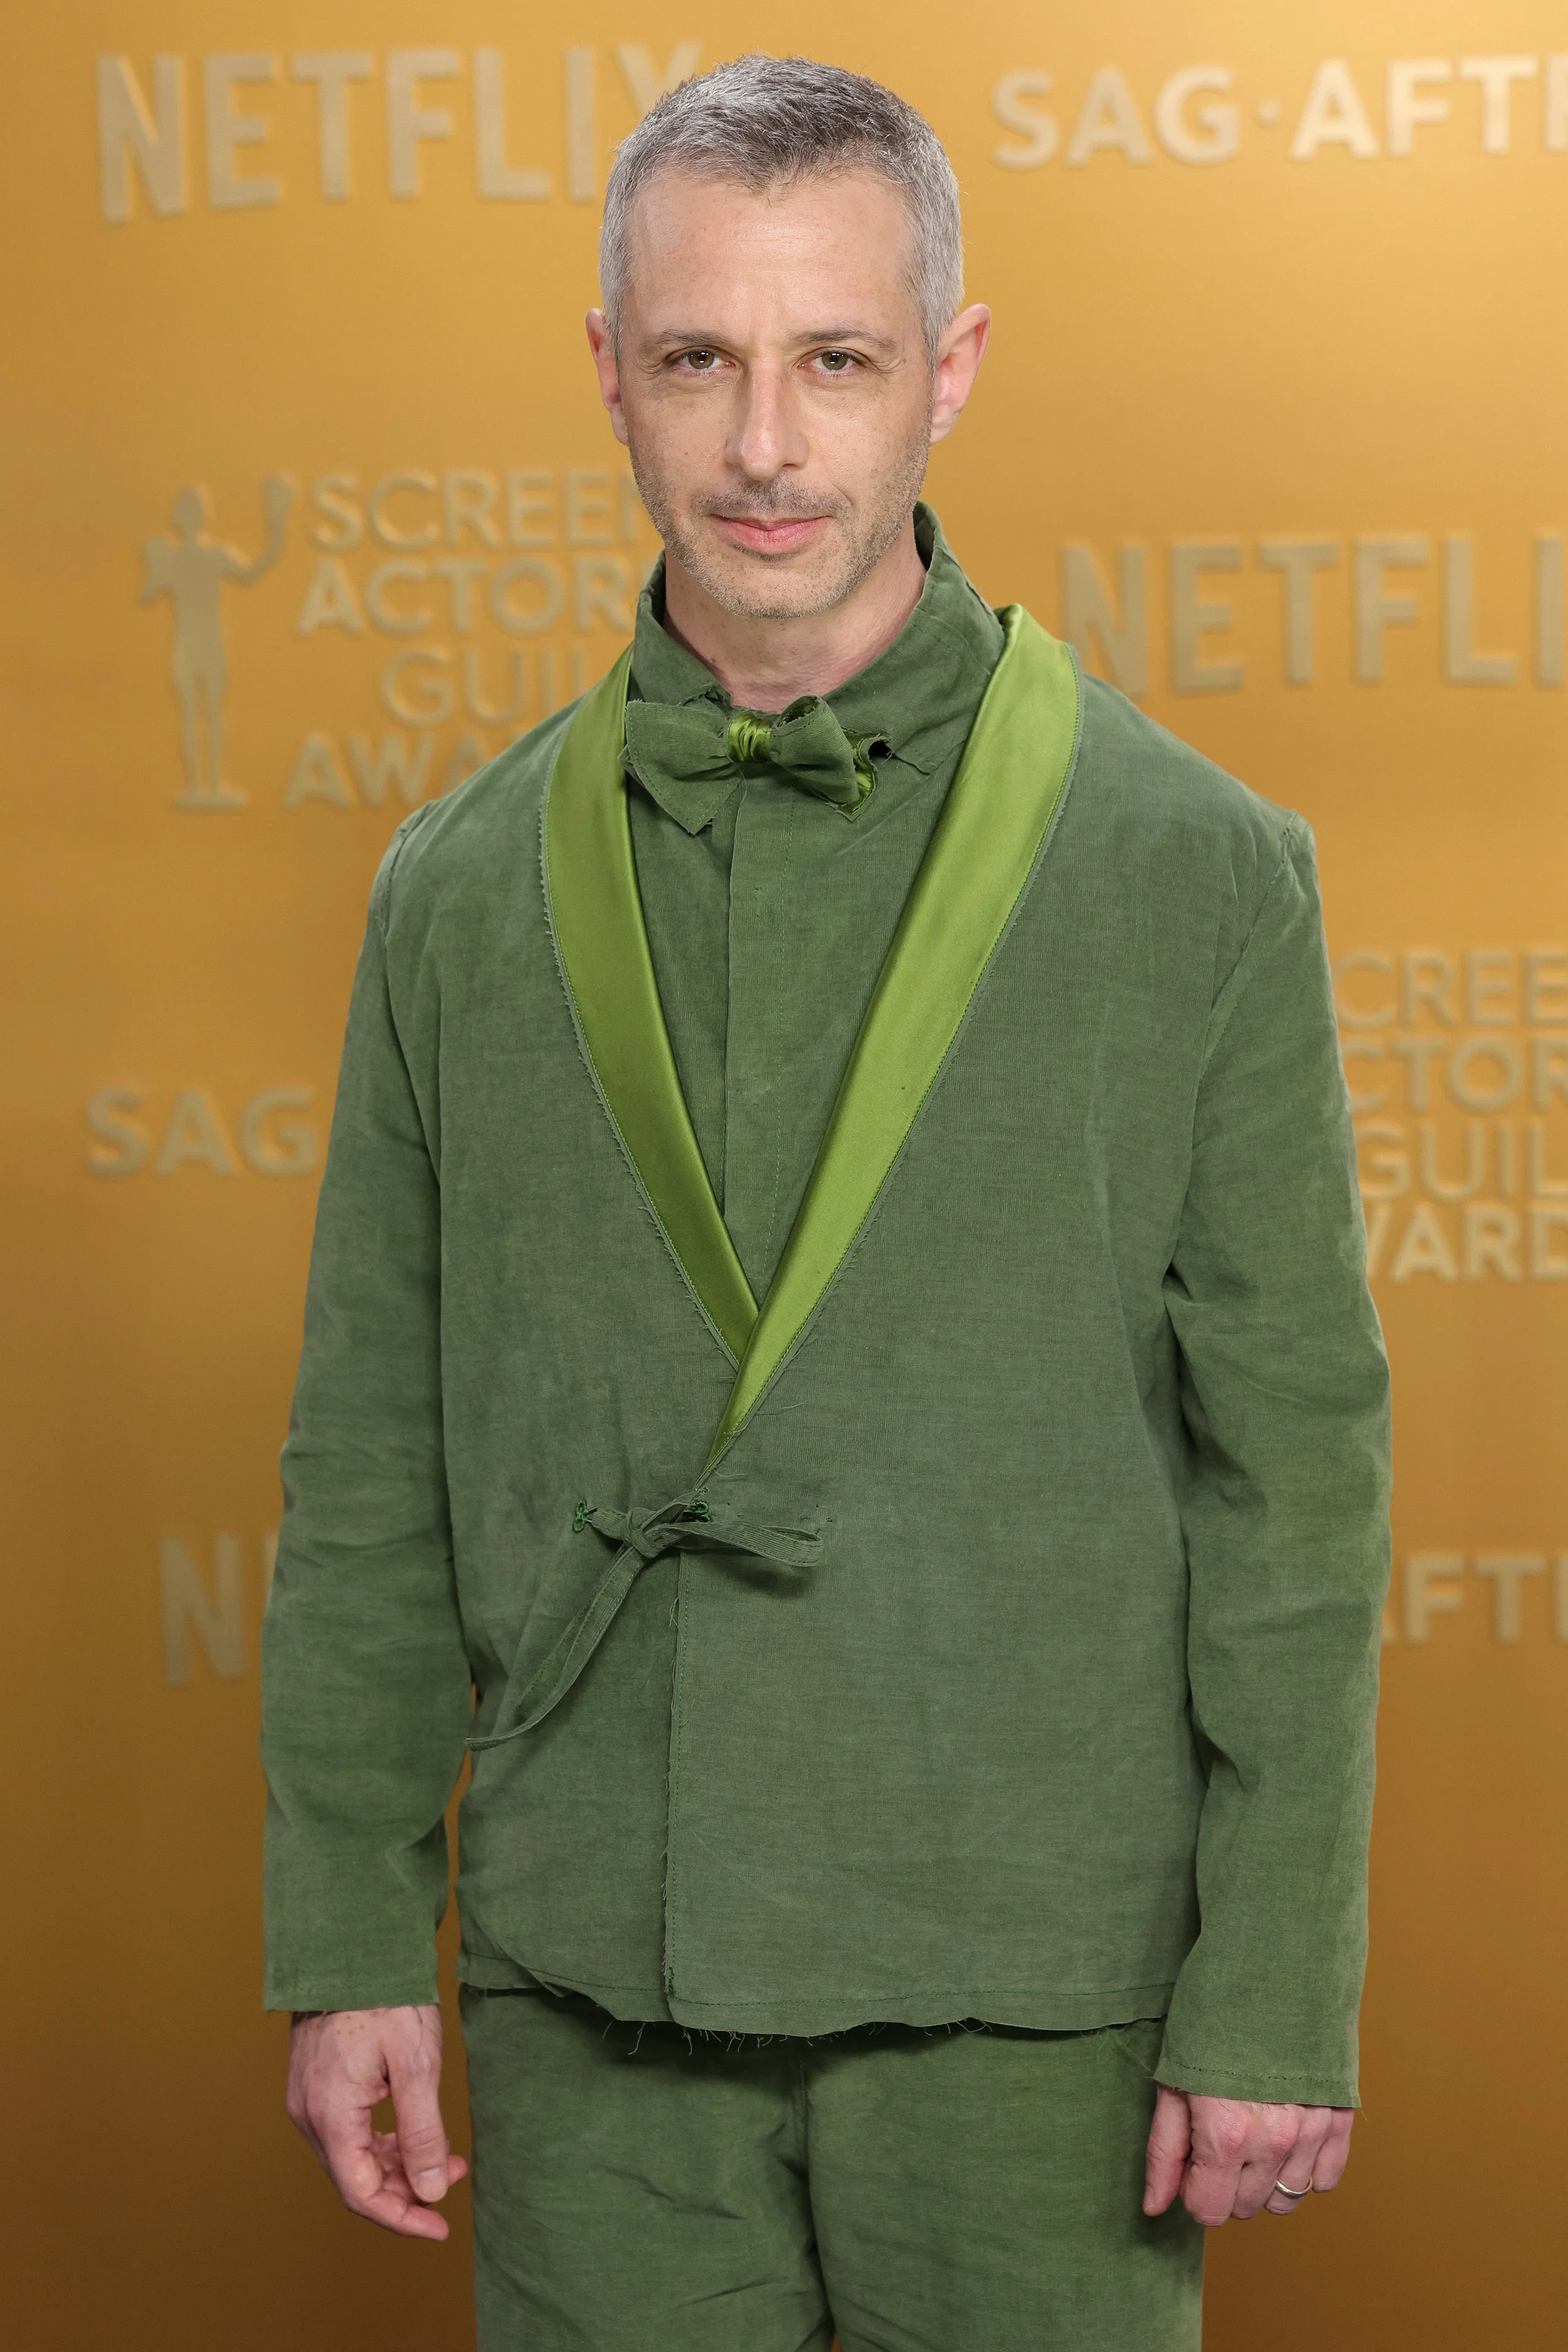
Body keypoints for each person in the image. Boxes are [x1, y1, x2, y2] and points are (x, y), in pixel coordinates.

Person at [262, 54, 1391, 2352]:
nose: (765, 444)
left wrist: (1271, 1975)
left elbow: (1295, 1480)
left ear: (946, 372)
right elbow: (368, 1463)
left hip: (1040, 1991)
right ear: (610, 376)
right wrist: (351, 1932)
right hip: (596, 1974)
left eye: (835, 361)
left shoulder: (1197, 871)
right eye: (699, 359)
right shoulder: (458, 892)